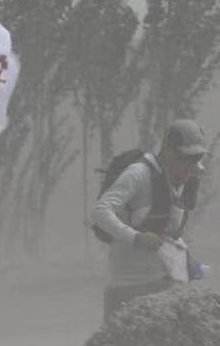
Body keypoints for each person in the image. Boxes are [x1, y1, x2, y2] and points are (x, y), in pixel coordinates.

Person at [88, 118, 209, 321]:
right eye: (184, 159)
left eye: (194, 160)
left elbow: (171, 228)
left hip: (169, 284)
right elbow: (101, 211)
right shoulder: (139, 174)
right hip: (128, 287)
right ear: (168, 152)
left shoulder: (187, 176)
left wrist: (185, 256)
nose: (189, 168)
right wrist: (136, 237)